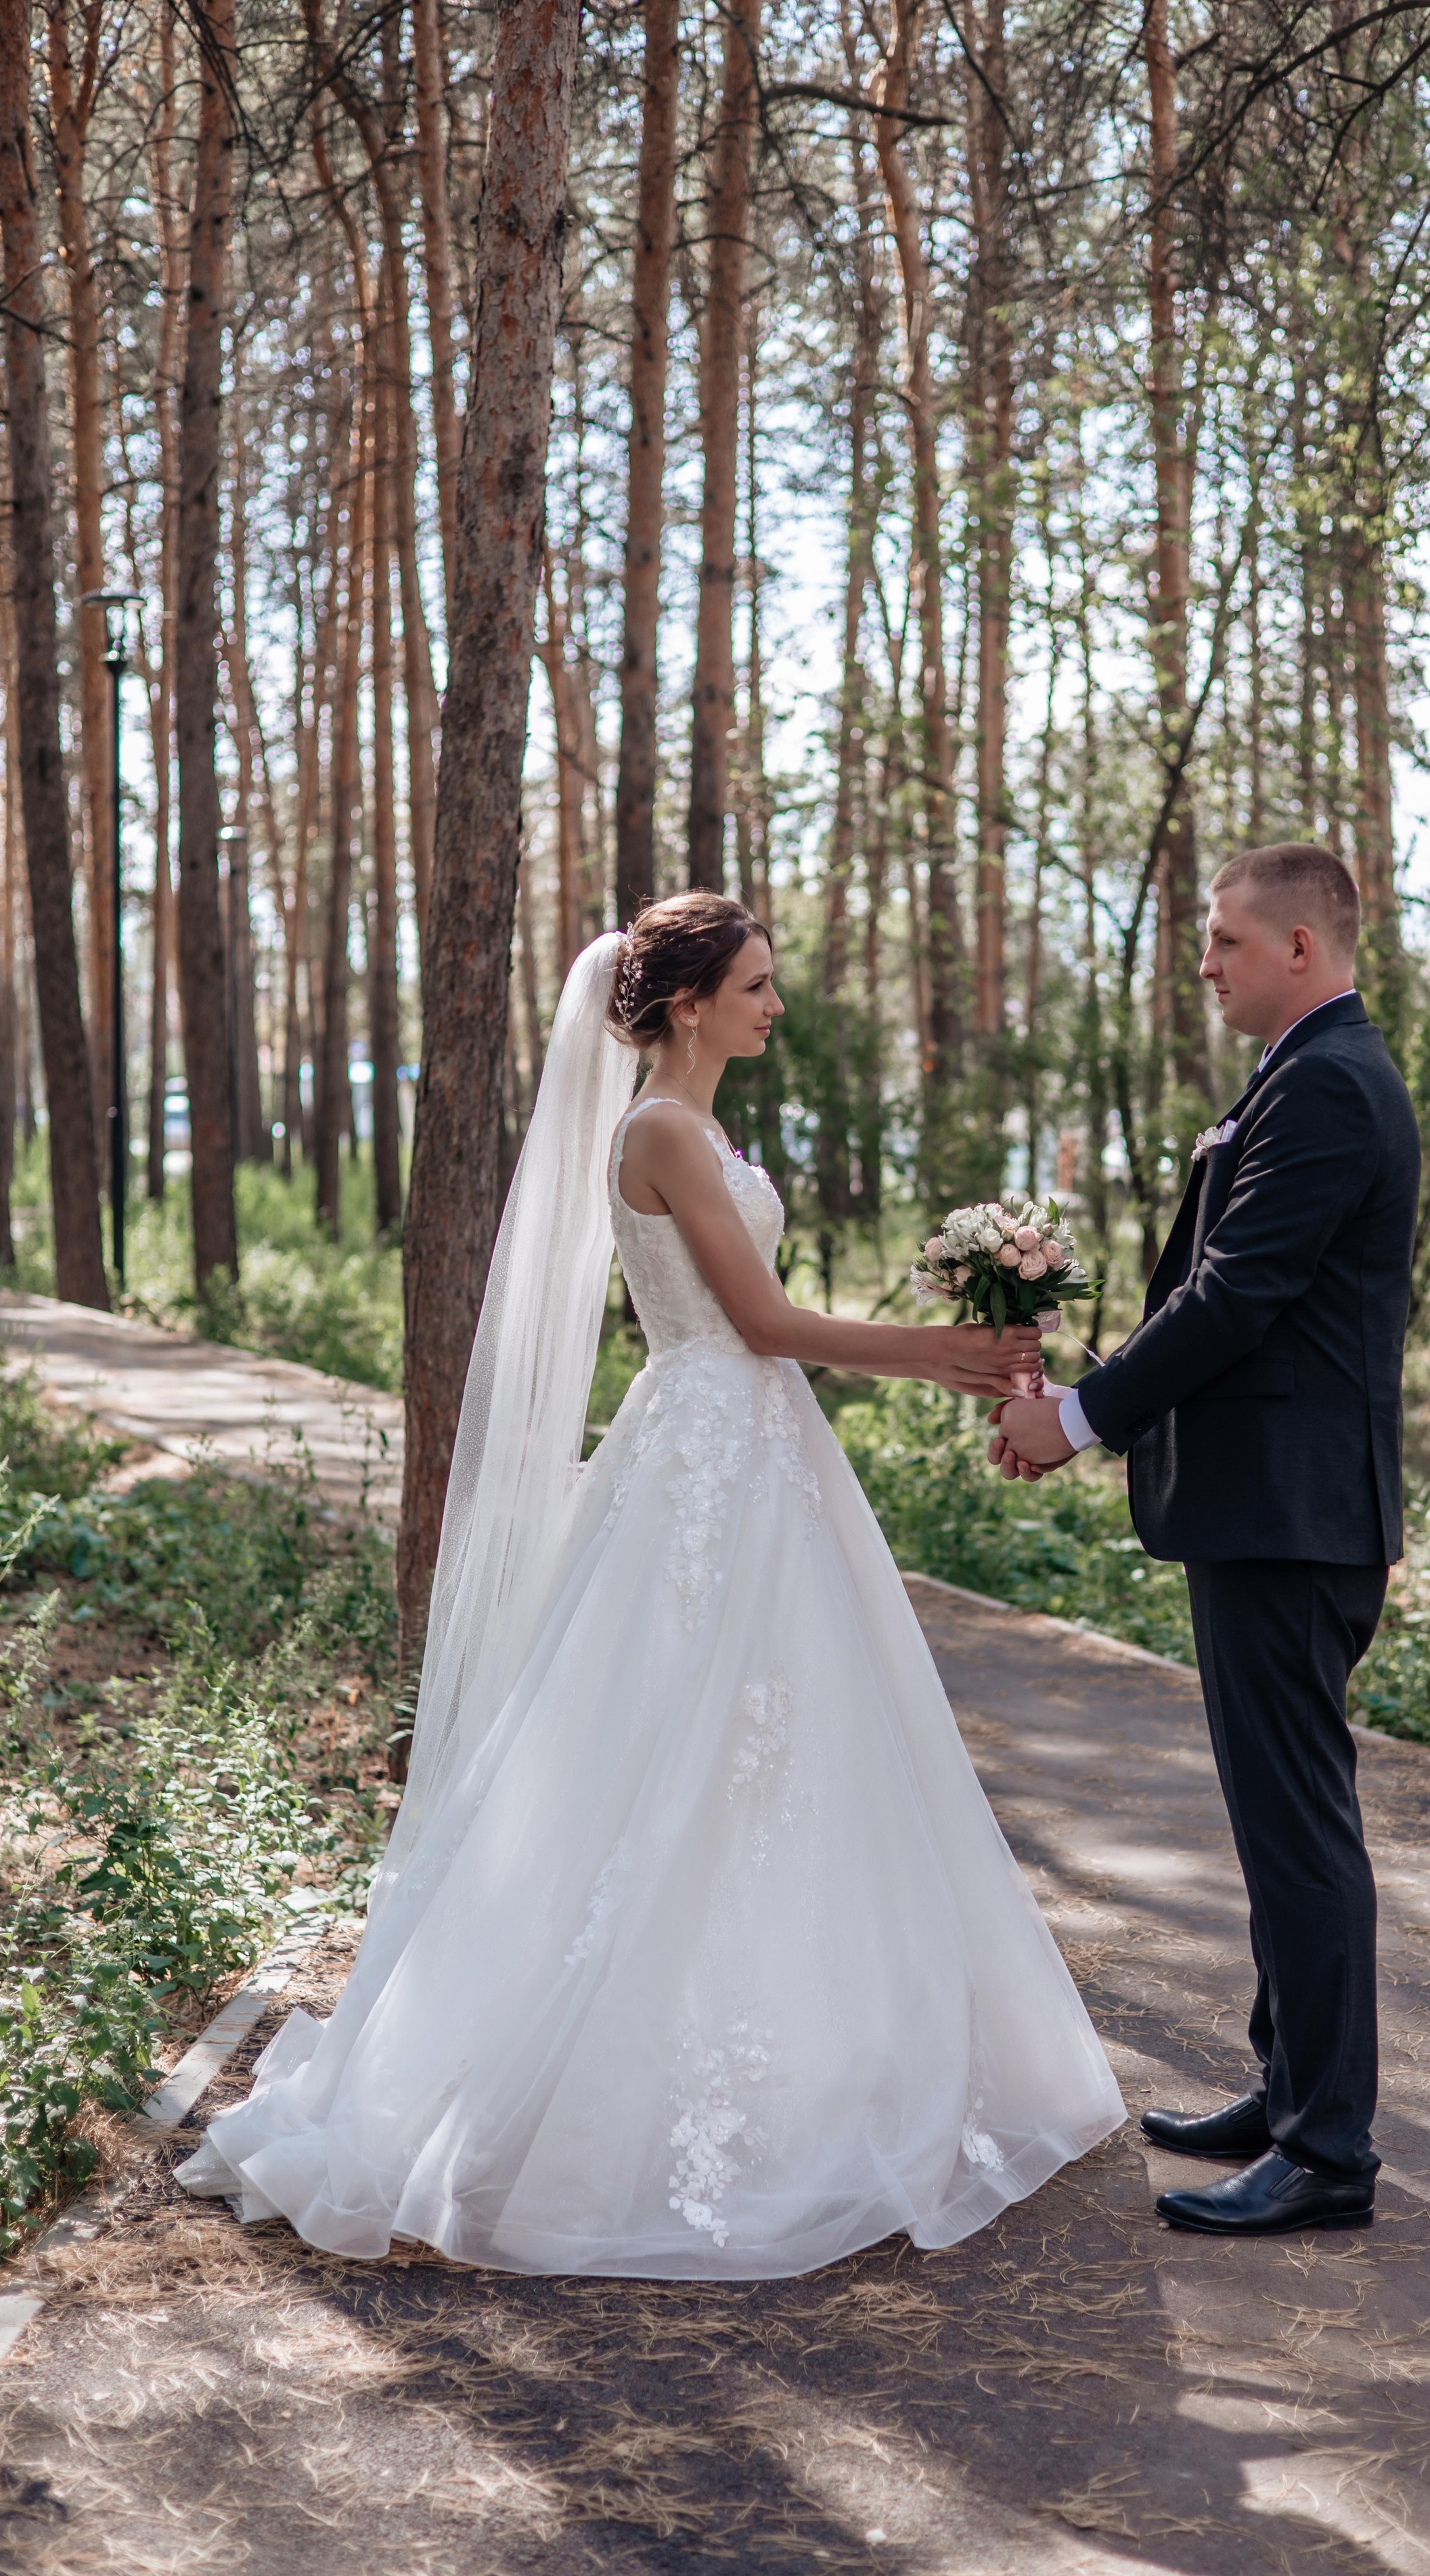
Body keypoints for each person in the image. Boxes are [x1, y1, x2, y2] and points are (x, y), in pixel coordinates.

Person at [178, 893, 1123, 2276]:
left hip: (755, 1454)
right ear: (686, 1003)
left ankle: (805, 2042)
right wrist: (942, 1352)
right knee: (662, 1750)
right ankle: (609, 2087)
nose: (773, 1004)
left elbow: (763, 1327)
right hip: (701, 1457)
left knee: (781, 1750)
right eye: (754, 983)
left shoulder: (709, 1131)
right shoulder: (661, 1131)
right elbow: (758, 1323)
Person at [991, 844, 1419, 2238]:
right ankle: (1285, 2083)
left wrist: (1078, 1413)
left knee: (1298, 1829)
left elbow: (1233, 1297)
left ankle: (1325, 2151)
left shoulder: (1333, 1086)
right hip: (1267, 1509)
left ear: (1300, 947)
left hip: (1293, 1518)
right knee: (1272, 1816)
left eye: (1225, 941)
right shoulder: (1300, 1071)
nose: (1206, 963)